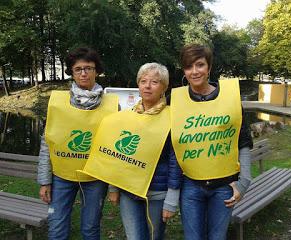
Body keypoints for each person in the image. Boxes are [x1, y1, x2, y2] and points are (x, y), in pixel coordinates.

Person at [82, 63, 182, 240]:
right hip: (128, 192)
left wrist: (172, 199)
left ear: (164, 87)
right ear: (138, 84)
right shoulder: (125, 118)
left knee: (154, 237)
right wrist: (113, 188)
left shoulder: (172, 118)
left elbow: (176, 161)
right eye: (143, 81)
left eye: (154, 82)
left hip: (157, 193)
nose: (147, 86)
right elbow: (114, 155)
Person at [170, 44, 253, 240]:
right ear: (184, 70)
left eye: (200, 65)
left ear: (209, 67)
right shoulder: (174, 101)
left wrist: (244, 182)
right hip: (190, 185)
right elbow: (153, 114)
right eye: (189, 66)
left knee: (217, 237)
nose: (194, 71)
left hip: (224, 185)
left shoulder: (230, 98)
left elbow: (243, 139)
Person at [37, 47, 118, 240]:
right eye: (78, 69)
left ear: (97, 71)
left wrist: (113, 187)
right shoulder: (57, 103)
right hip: (62, 177)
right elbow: (47, 143)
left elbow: (115, 147)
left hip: (94, 179)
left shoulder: (112, 106)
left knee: (90, 230)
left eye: (88, 68)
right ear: (71, 73)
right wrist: (44, 180)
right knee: (56, 228)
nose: (83, 73)